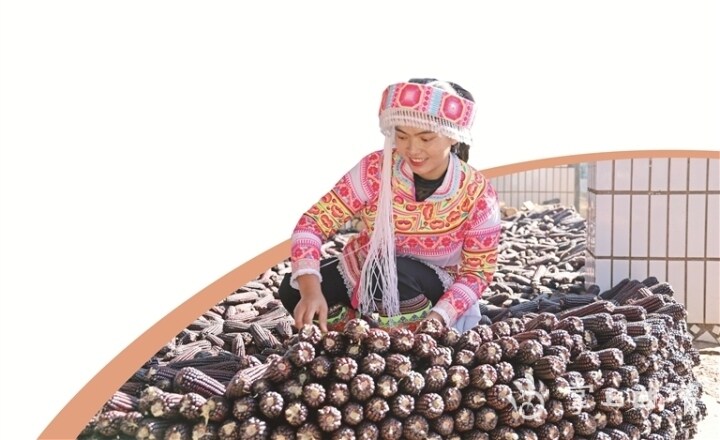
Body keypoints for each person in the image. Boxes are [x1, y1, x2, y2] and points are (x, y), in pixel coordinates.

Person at [278, 78, 502, 332]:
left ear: (453, 136)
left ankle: (414, 339)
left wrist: (438, 317)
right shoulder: (375, 169)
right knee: (292, 289)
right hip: (370, 268)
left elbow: (477, 272)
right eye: (402, 136)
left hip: (433, 288)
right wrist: (310, 291)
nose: (412, 149)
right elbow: (312, 223)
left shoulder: (478, 193)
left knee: (390, 272)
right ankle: (358, 333)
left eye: (426, 138)